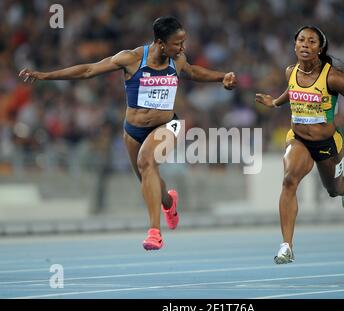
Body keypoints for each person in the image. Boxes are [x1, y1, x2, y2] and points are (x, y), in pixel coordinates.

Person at [19, 16, 237, 251]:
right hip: (133, 130)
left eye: (183, 43)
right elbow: (88, 70)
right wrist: (45, 75)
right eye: (178, 43)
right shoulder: (131, 58)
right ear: (161, 42)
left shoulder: (178, 59)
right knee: (147, 177)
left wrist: (221, 77)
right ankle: (169, 201)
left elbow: (193, 72)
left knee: (147, 160)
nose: (183, 48)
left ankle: (154, 232)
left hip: (167, 126)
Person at [255, 26, 344, 264]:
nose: (305, 44)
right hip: (298, 139)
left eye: (312, 41)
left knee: (333, 190)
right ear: (295, 45)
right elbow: (292, 91)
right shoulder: (290, 71)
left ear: (320, 48)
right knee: (289, 180)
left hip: (327, 143)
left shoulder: (332, 78)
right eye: (301, 40)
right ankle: (287, 246)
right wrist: (275, 102)